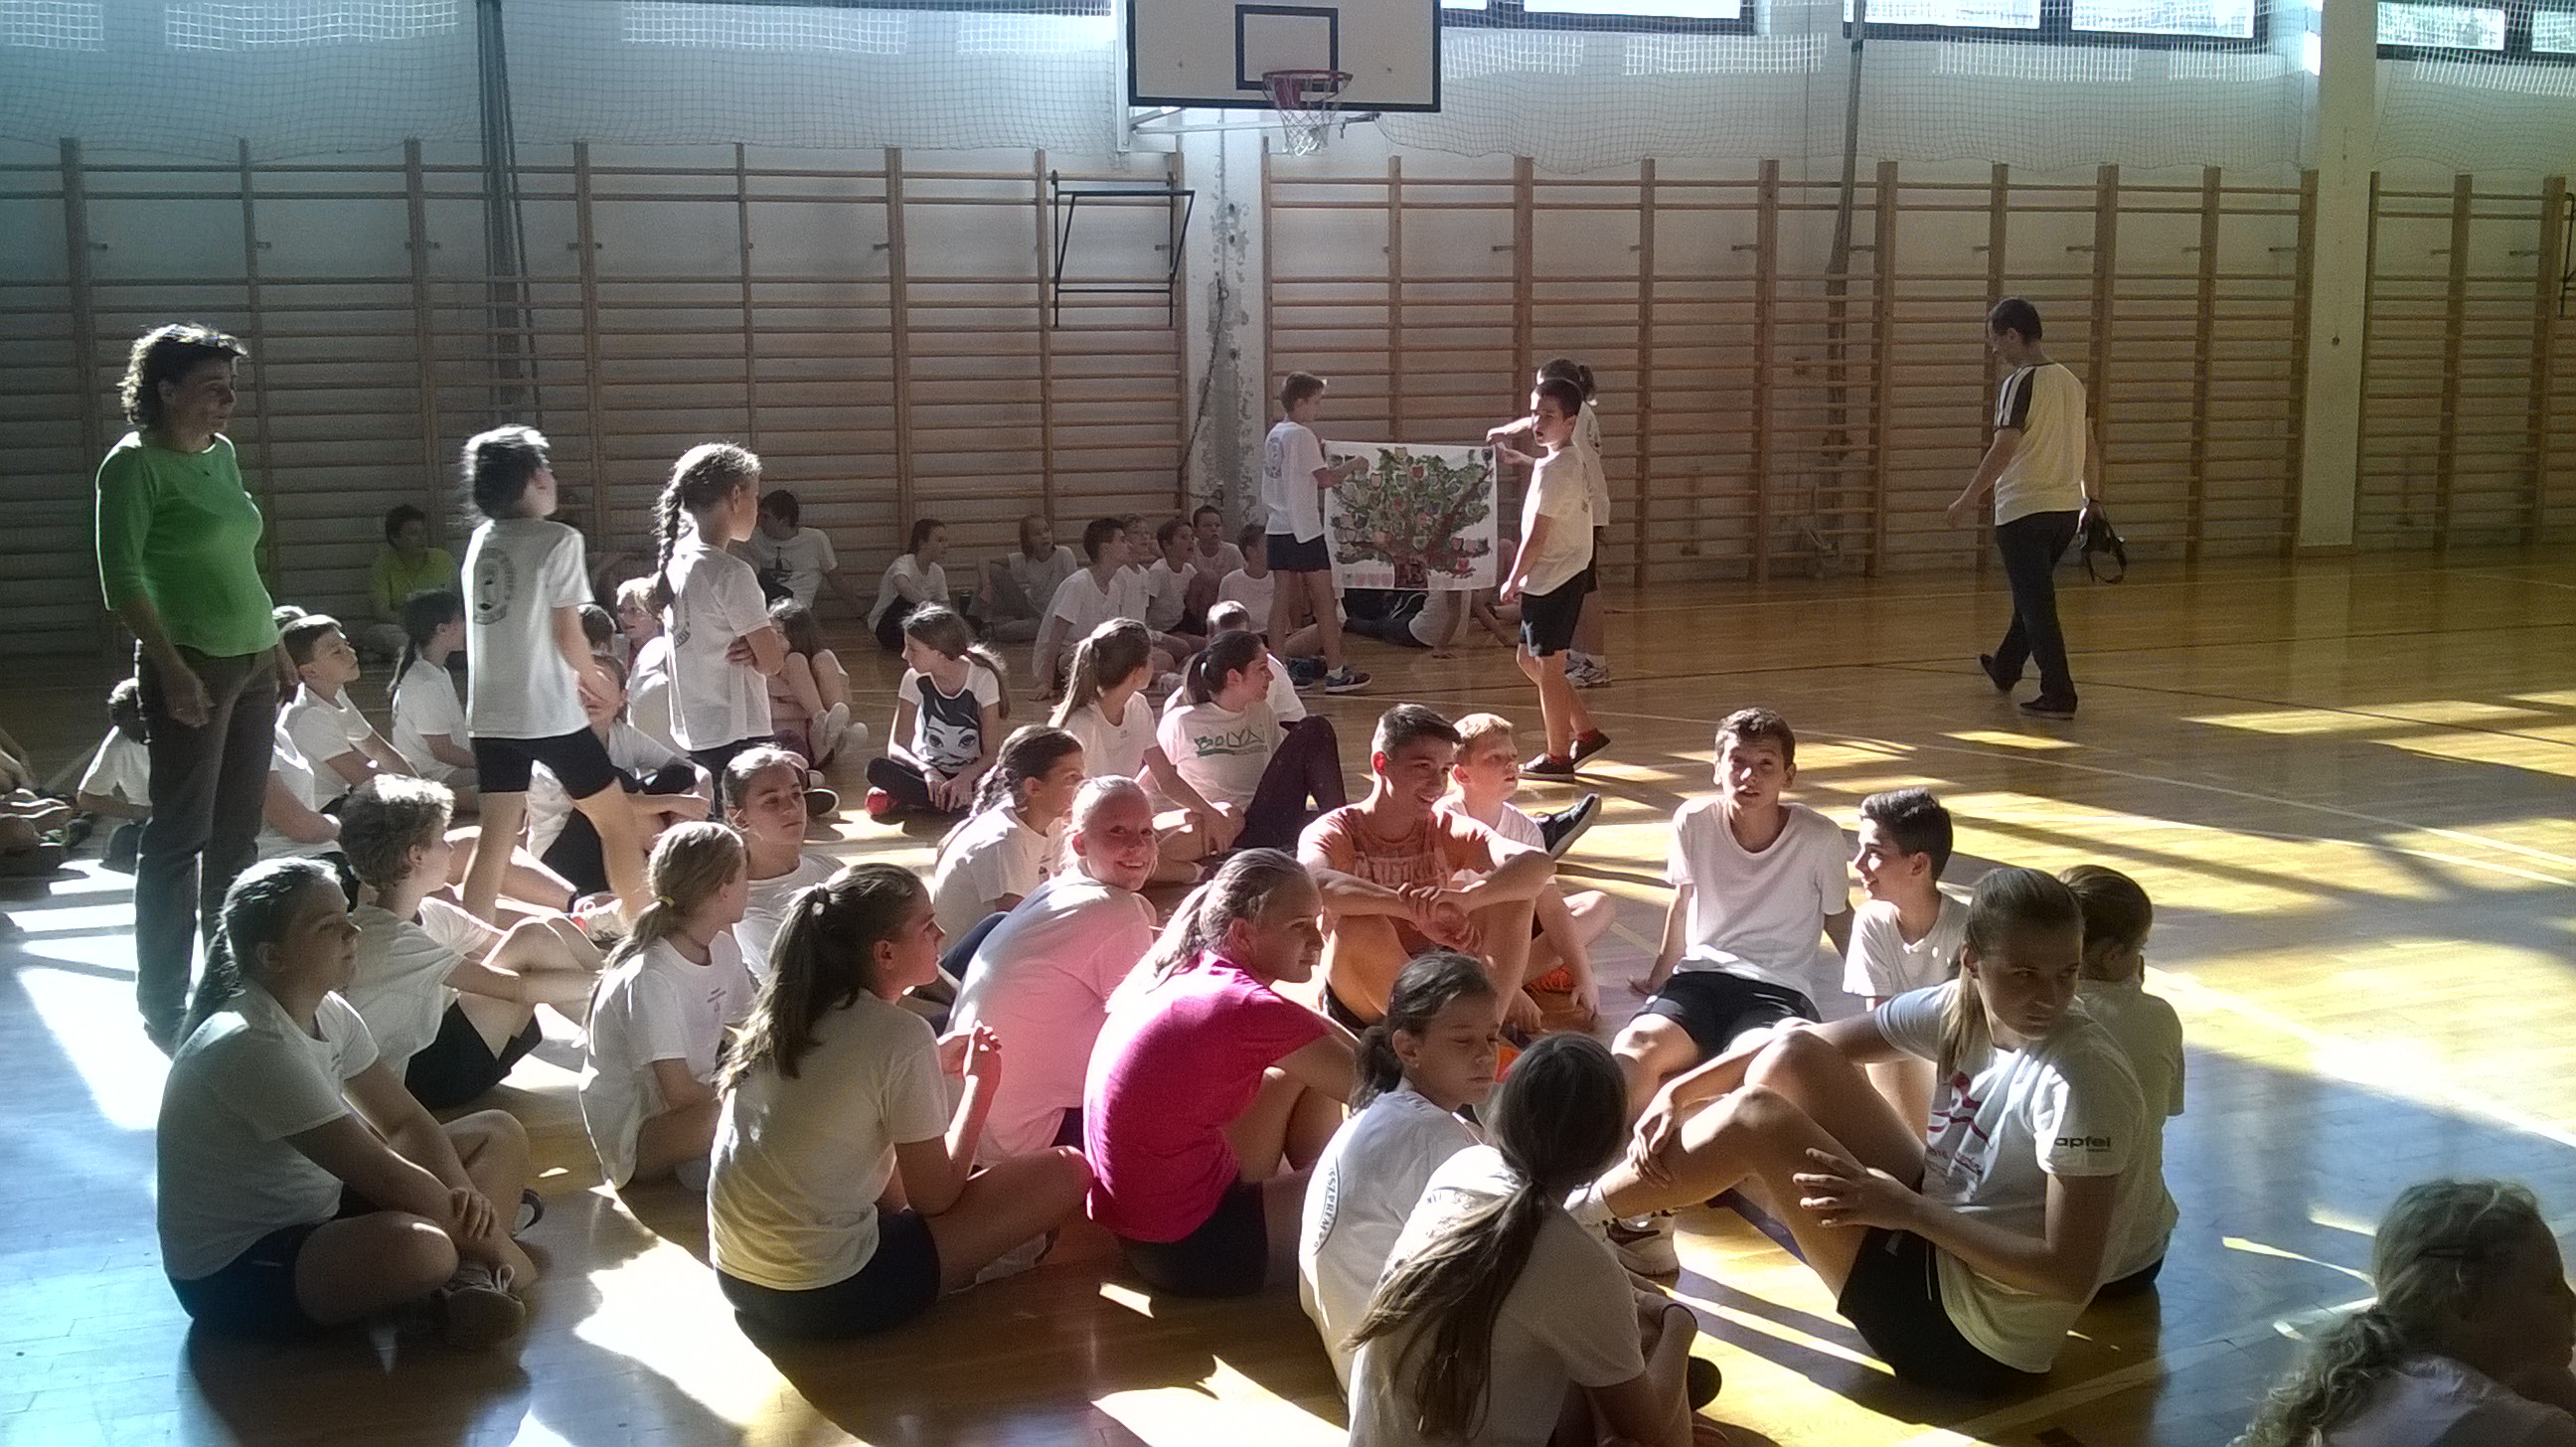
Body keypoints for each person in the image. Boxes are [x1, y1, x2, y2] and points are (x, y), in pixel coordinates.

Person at [1576, 868, 2148, 1389]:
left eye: (2067, 973)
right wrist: (1678, 1091)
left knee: (1754, 1118)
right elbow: (1802, 1043)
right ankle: (1647, 1204)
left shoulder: (2082, 1080)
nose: (2049, 996)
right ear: (1972, 962)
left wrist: (1908, 1211)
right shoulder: (1962, 1006)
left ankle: (1574, 1216)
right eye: (2023, 974)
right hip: (1941, 1228)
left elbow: (2070, 1277)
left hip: (1969, 1339)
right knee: (1791, 1055)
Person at [157, 858, 537, 1348]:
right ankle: (464, 1275)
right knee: (427, 1251)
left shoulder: (329, 1008)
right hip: (234, 1270)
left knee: (497, 1132)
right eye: (328, 926)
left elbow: (403, 1121)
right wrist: (504, 1251)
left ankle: (467, 1280)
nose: (352, 932)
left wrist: (465, 1195)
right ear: (272, 956)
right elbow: (382, 1174)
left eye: (347, 916)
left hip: (322, 1208)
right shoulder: (251, 1043)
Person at [710, 863, 1092, 1340]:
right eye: (927, 926)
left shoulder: (787, 1014)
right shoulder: (899, 1034)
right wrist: (981, 1087)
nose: (942, 934)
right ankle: (973, 1267)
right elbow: (936, 1197)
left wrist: (927, 1064)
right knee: (1066, 1171)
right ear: (885, 953)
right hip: (829, 1293)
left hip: (739, 1280)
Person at [1349, 1034, 1705, 1447]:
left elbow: (1535, 1277)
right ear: (1610, 1152)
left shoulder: (1463, 1168)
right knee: (1649, 1350)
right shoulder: (1578, 1261)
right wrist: (1681, 1324)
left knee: (1597, 1335)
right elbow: (1648, 1431)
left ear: (1503, 1117)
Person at [95, 323, 285, 1048]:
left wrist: (276, 644)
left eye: (230, 388)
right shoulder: (132, 467)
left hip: (254, 656)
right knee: (179, 839)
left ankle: (226, 984)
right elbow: (123, 580)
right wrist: (170, 667)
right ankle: (163, 1004)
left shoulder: (221, 454)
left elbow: (241, 561)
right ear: (165, 390)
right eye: (211, 388)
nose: (226, 401)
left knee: (237, 838)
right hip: (192, 663)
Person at [1083, 851, 1358, 1296]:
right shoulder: (1245, 1005)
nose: (1318, 941)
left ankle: (1315, 1197)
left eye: (1317, 922)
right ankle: (1327, 1212)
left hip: (1143, 1237)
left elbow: (1315, 1032)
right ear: (1242, 934)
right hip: (1195, 1250)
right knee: (1383, 1173)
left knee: (1303, 1073)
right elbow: (1386, 1090)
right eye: (1299, 926)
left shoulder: (1196, 971)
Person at [455, 424, 651, 924]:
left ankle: (470, 947)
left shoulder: (481, 541)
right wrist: (595, 678)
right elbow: (568, 632)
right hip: (547, 714)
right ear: (536, 478)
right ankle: (640, 926)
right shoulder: (559, 539)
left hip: (490, 716)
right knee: (617, 824)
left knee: (494, 844)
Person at [1618, 708, 1854, 1117]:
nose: (1749, 777)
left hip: (1777, 990)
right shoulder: (1693, 821)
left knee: (1761, 1070)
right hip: (1699, 980)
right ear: (1717, 769)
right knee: (1634, 1047)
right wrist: (1659, 978)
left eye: (1766, 765)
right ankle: (1609, 1147)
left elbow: (1839, 917)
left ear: (1789, 776)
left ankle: (1705, 1149)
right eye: (1737, 762)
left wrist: (1883, 993)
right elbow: (1682, 901)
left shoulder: (1818, 837)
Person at [2238, 1179, 2576, 1446]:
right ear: (2465, 1302)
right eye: (2549, 1286)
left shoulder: (2359, 1382)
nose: (2571, 1302)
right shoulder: (2523, 1430)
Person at [340, 777, 601, 1109]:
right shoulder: (387, 937)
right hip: (419, 1081)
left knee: (548, 927)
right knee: (533, 936)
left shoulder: (433, 912)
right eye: (442, 839)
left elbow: (531, 944)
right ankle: (632, 1018)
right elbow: (516, 988)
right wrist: (605, 982)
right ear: (416, 855)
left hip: (451, 1052)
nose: (451, 848)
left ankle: (634, 1010)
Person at [1299, 952, 1497, 1388]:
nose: (1486, 1056)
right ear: (1409, 1048)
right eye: (1463, 1041)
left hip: (1360, 1367)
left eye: (1492, 1037)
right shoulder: (1436, 1139)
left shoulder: (1384, 1109)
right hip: (1404, 1389)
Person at [946, 777, 1161, 1163]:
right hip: (1018, 1143)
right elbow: (1153, 1032)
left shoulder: (1060, 887)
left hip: (963, 1121)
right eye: (1117, 831)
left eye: (1146, 832)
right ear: (1079, 843)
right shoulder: (1116, 912)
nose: (1138, 845)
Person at [1303, 705, 1551, 1034]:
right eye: (1423, 767)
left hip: (1437, 974)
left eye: (1445, 770)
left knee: (1513, 895)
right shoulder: (1335, 830)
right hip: (1360, 996)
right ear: (1381, 764)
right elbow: (1313, 883)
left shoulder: (1447, 826)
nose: (1437, 784)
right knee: (1359, 924)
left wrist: (1468, 899)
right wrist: (1415, 910)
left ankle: (1483, 1034)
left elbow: (1537, 863)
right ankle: (1448, 1040)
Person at [1945, 296, 2100, 722]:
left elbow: (2004, 447)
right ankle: (2006, 667)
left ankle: (2059, 693)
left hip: (2023, 511)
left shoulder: (2019, 383)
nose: (1995, 350)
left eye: (1996, 340)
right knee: (2032, 596)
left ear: (2012, 335)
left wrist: (1967, 498)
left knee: (2037, 605)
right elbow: (2091, 448)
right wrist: (2094, 499)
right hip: (2064, 511)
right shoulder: (2072, 382)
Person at [579, 822, 754, 1191]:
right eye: (743, 875)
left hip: (691, 1104)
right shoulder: (652, 975)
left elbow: (752, 1026)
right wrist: (764, 1098)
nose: (748, 885)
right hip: (639, 1135)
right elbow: (678, 1093)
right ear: (722, 888)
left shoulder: (722, 947)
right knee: (743, 1115)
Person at [1442, 713, 1611, 1028]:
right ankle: (1505, 981)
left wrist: (1583, 975)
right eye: (1495, 758)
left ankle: (1508, 978)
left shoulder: (1524, 827)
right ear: (1461, 774)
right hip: (1466, 940)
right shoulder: (1444, 821)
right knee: (1511, 898)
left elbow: (1553, 909)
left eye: (1513, 756)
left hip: (1514, 933)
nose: (1510, 765)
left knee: (1598, 905)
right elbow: (1450, 919)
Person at [2061, 864, 2183, 1294]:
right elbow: (2165, 1109)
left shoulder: (2033, 1013)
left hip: (2040, 1268)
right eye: (2140, 947)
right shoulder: (2161, 1017)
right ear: (2113, 955)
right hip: (2140, 1263)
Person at [651, 442, 786, 787]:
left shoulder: (677, 559)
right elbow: (772, 662)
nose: (757, 508)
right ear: (736, 496)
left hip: (695, 727)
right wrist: (765, 643)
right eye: (756, 496)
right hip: (737, 729)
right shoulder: (730, 572)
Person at [1050, 619, 1235, 870]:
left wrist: (1210, 813)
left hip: (1127, 826)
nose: (1154, 663)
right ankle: (1174, 871)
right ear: (1137, 672)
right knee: (1191, 853)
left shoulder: (1138, 706)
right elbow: (1064, 809)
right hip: (1090, 835)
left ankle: (1147, 868)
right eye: (1150, 658)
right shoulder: (1080, 724)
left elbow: (1166, 778)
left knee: (1227, 815)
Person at [1493, 377, 1607, 780]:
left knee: (1550, 669)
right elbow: (1550, 472)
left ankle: (1558, 757)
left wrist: (1513, 578)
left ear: (1570, 422)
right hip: (1552, 574)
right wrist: (1523, 457)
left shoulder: (1559, 469)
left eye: (1548, 416)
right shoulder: (1561, 460)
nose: (1538, 423)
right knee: (1530, 660)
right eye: (1535, 414)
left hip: (1557, 575)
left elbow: (1537, 536)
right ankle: (1587, 733)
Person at [523, 654, 707, 899]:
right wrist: (675, 802)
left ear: (622, 697)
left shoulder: (622, 734)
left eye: (601, 681)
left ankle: (672, 855)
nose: (591, 693)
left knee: (678, 775)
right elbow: (597, 803)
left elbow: (691, 769)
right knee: (612, 783)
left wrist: (695, 802)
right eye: (582, 684)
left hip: (619, 838)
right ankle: (673, 862)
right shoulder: (560, 742)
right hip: (564, 860)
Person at [1845, 787, 1969, 1130]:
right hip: (1904, 1069)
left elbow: (1965, 1042)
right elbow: (1877, 1022)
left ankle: (1916, 1154)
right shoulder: (1871, 920)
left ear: (1918, 864)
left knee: (1891, 1043)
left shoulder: (1966, 929)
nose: (1857, 864)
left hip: (1957, 1078)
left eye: (1873, 853)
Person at [1158, 629, 1346, 853]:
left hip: (1268, 818)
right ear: (1234, 677)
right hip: (1228, 825)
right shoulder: (1182, 722)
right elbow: (1157, 779)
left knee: (1314, 728)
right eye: (1262, 668)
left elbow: (1284, 774)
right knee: (1314, 727)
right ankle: (1341, 834)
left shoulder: (1261, 712)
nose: (1271, 676)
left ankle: (1341, 832)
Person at [1490, 359, 1614, 688]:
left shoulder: (1578, 416)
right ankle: (1577, 657)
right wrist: (1526, 459)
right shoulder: (1573, 428)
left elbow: (1538, 431)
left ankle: (1594, 662)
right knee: (1582, 588)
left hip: (1583, 512)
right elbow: (1560, 465)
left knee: (1585, 588)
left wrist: (1505, 430)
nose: (1538, 417)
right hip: (1582, 506)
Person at [1260, 374, 1368, 694]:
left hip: (1277, 525)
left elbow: (1295, 471)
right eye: (1316, 403)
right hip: (1304, 529)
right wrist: (1354, 465)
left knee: (1280, 600)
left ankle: (1278, 671)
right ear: (1300, 403)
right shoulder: (1302, 435)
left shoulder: (1276, 433)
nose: (1319, 410)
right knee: (1324, 601)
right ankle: (1335, 671)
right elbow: (1326, 479)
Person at [928, 726, 1084, 941]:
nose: (1082, 786)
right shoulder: (1005, 840)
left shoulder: (1050, 823)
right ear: (1033, 787)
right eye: (1071, 778)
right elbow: (1017, 934)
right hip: (973, 959)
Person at [869, 604, 1010, 820]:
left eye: (913, 649)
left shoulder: (982, 678)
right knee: (877, 769)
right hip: (928, 770)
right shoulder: (913, 677)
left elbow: (991, 754)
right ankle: (959, 804)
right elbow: (897, 746)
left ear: (940, 652)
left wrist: (964, 778)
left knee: (1008, 779)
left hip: (971, 772)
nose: (905, 655)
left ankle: (926, 801)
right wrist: (927, 770)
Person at [721, 746, 838, 982]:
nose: (792, 808)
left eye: (796, 794)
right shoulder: (748, 911)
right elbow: (808, 986)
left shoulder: (829, 867)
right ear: (740, 818)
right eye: (772, 801)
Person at [275, 613, 410, 805]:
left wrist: (422, 786)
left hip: (343, 798)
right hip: (323, 808)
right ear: (310, 670)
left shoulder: (336, 695)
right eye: (337, 652)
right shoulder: (309, 714)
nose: (350, 653)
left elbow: (378, 749)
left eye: (346, 644)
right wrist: (426, 798)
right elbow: (364, 779)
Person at [1031, 517, 1157, 699]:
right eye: (1122, 540)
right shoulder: (1078, 584)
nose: (1128, 545)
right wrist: (1046, 683)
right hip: (1063, 660)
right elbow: (1055, 638)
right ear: (1105, 548)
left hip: (1092, 652)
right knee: (1098, 659)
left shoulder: (1113, 588)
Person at [389, 589, 477, 794]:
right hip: (437, 778)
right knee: (513, 783)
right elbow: (443, 751)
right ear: (442, 629)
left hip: (447, 772)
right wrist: (490, 764)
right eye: (462, 619)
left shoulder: (437, 672)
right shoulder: (425, 683)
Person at [740, 488, 869, 618]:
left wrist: (861, 612)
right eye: (759, 515)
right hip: (761, 603)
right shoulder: (753, 538)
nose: (759, 521)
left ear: (784, 521)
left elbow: (836, 580)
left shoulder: (815, 539)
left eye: (766, 517)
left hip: (795, 606)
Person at [766, 598, 856, 768]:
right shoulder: (764, 667)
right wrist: (811, 710)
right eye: (767, 632)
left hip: (821, 742)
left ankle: (837, 733)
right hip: (789, 739)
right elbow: (769, 710)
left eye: (778, 633)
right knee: (796, 660)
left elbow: (845, 700)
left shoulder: (821, 658)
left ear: (796, 636)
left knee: (822, 658)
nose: (771, 638)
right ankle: (822, 721)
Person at [365, 505, 459, 661]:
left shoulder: (444, 560)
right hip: (406, 629)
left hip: (442, 628)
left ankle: (417, 654)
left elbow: (461, 603)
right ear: (395, 538)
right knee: (375, 633)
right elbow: (380, 612)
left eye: (423, 532)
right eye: (413, 534)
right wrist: (413, 623)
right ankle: (428, 653)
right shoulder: (383, 565)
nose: (422, 538)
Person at [76, 678, 152, 872]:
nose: (143, 738)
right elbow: (88, 797)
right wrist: (141, 812)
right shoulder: (119, 743)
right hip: (152, 821)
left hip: (192, 816)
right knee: (122, 840)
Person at [974, 514, 1078, 644]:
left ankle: (991, 629)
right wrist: (986, 587)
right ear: (1028, 540)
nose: (1044, 536)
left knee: (1011, 631)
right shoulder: (1025, 558)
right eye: (1037, 534)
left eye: (1046, 530)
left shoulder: (1064, 554)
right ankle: (984, 621)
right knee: (993, 570)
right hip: (1029, 608)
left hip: (1049, 618)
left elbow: (1074, 591)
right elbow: (983, 560)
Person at [615, 575, 680, 756]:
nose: (625, 617)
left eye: (634, 610)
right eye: (620, 610)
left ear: (655, 614)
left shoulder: (672, 650)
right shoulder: (612, 647)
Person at [869, 517, 953, 653]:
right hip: (886, 627)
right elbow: (902, 586)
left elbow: (945, 605)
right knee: (907, 601)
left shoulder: (937, 571)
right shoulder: (904, 563)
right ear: (922, 543)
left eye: (946, 541)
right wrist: (927, 605)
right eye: (939, 540)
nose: (945, 545)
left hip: (913, 626)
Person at [1142, 518, 1208, 654]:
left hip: (1178, 624)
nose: (1190, 542)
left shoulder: (1189, 569)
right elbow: (1147, 606)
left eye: (1192, 537)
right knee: (1195, 646)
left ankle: (1202, 628)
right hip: (1160, 629)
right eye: (1183, 537)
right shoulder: (1158, 571)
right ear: (1167, 545)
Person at [1215, 520, 1275, 630]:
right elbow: (1221, 621)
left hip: (1280, 635)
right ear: (1251, 551)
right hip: (1247, 637)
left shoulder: (1279, 578)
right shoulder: (1230, 581)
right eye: (1269, 545)